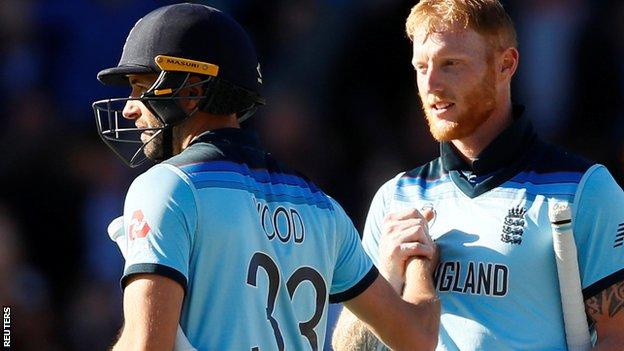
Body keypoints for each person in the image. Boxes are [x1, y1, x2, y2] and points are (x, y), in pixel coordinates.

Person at [92, 3, 440, 350]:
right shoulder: (323, 207)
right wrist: (419, 262)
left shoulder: (166, 186)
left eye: (141, 87)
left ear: (194, 90)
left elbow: (146, 345)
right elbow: (419, 338)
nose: (129, 106)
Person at [332, 0, 624, 350]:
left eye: (450, 64)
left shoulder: (583, 189)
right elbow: (352, 348)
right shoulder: (396, 196)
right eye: (421, 67)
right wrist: (387, 271)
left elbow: (616, 337)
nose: (431, 85)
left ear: (505, 64)